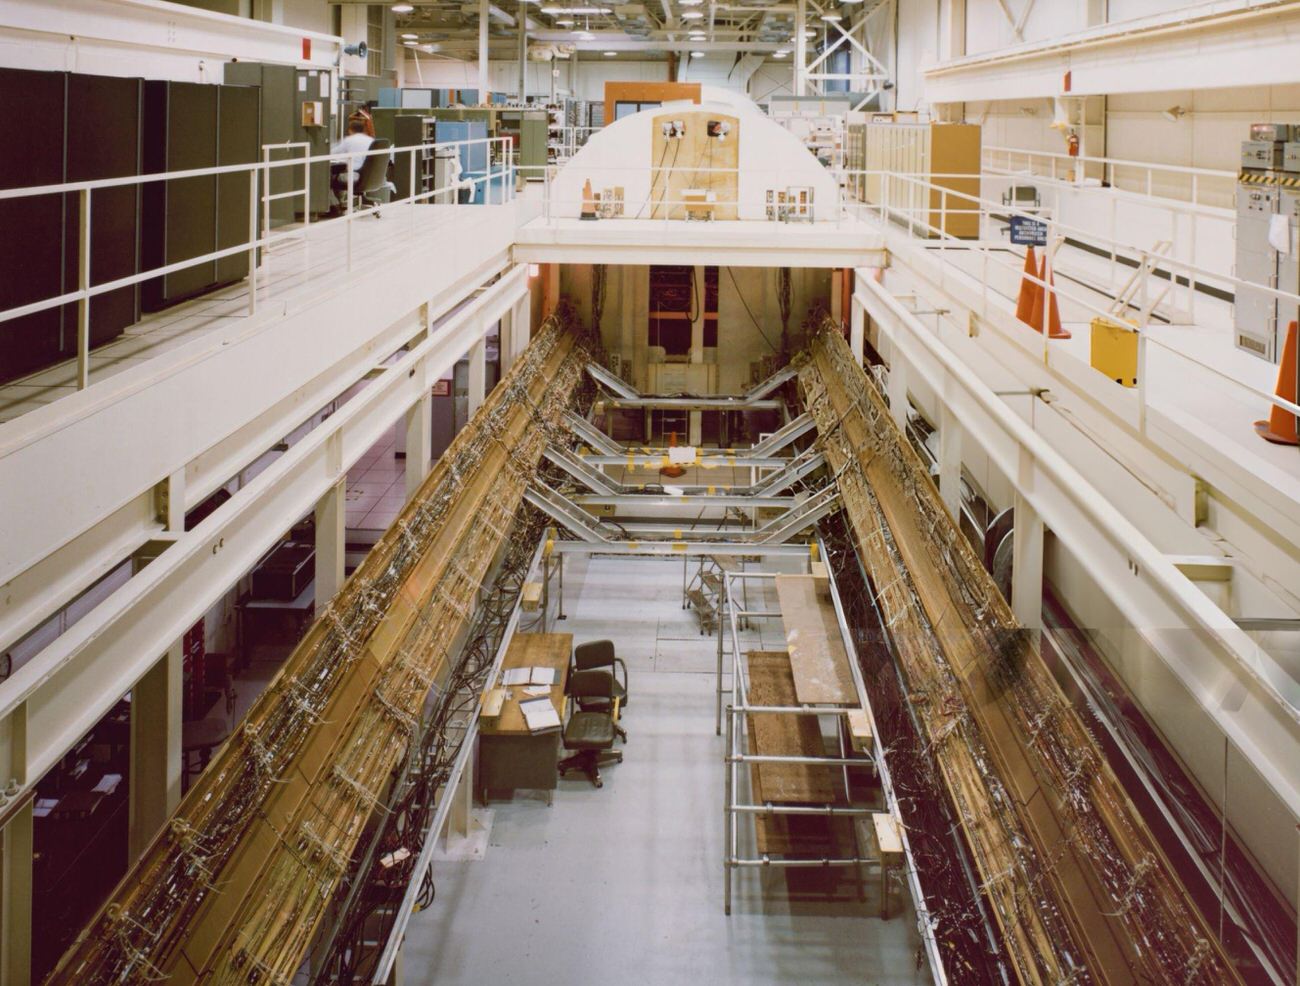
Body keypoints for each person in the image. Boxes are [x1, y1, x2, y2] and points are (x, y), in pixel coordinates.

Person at [330, 118, 375, 211]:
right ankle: (340, 203)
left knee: (329, 178)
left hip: (355, 175)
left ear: (350, 130)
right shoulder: (371, 140)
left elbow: (332, 152)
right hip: (369, 176)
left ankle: (334, 206)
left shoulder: (349, 140)